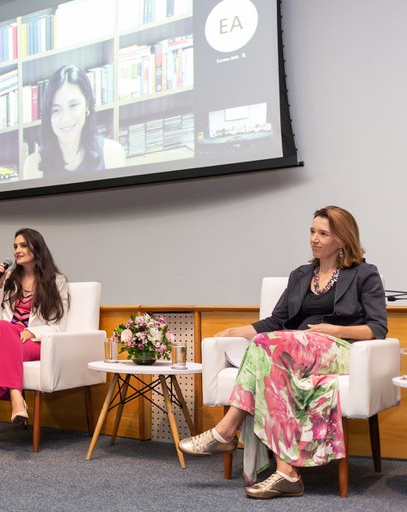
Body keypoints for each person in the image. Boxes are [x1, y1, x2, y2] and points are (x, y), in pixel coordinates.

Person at [178, 206, 387, 499]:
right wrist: (238, 330)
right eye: (312, 231)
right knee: (264, 347)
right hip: (292, 349)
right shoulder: (301, 275)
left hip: (338, 349)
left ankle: (226, 431)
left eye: (323, 233)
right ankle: (286, 472)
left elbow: (377, 327)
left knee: (269, 346)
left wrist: (334, 330)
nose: (314, 238)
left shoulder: (363, 273)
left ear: (342, 239)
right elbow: (276, 321)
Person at [0, 228, 70, 455]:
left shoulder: (56, 281)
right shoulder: (10, 279)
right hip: (0, 334)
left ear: (37, 247)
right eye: (15, 246)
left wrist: (34, 333)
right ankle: (16, 395)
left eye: (23, 245)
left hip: (29, 342)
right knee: (5, 328)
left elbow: (59, 325)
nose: (18, 250)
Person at [22, 65, 126, 180]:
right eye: (56, 110)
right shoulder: (33, 165)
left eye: (73, 105)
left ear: (87, 104)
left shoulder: (112, 153)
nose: (66, 118)